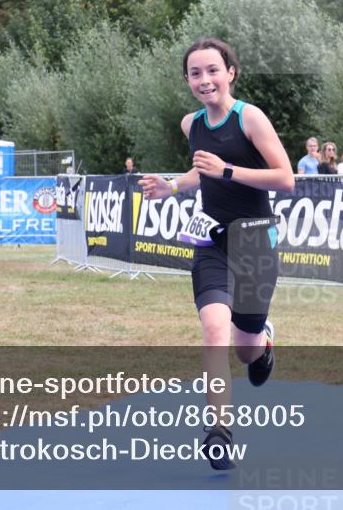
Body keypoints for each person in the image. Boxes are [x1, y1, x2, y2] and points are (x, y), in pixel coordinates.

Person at [139, 37, 294, 470]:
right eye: (195, 73)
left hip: (255, 242)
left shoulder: (251, 118)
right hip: (211, 241)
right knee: (213, 328)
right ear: (187, 80)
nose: (204, 80)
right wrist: (171, 187)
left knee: (244, 350)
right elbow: (200, 172)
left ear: (230, 73)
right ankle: (219, 430)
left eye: (212, 70)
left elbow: (285, 179)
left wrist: (227, 171)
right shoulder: (192, 124)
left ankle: (263, 343)